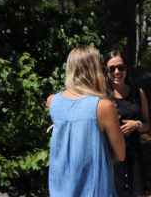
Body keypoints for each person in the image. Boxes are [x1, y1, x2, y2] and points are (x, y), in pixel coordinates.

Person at [47, 45, 125, 197]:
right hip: (93, 190)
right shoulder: (103, 106)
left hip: (60, 189)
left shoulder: (52, 101)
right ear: (95, 69)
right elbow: (120, 155)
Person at [104, 50, 150, 197]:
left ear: (126, 68)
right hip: (111, 157)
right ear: (106, 71)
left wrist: (137, 125)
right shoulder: (103, 96)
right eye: (112, 68)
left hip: (134, 154)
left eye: (120, 67)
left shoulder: (138, 92)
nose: (117, 71)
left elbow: (147, 124)